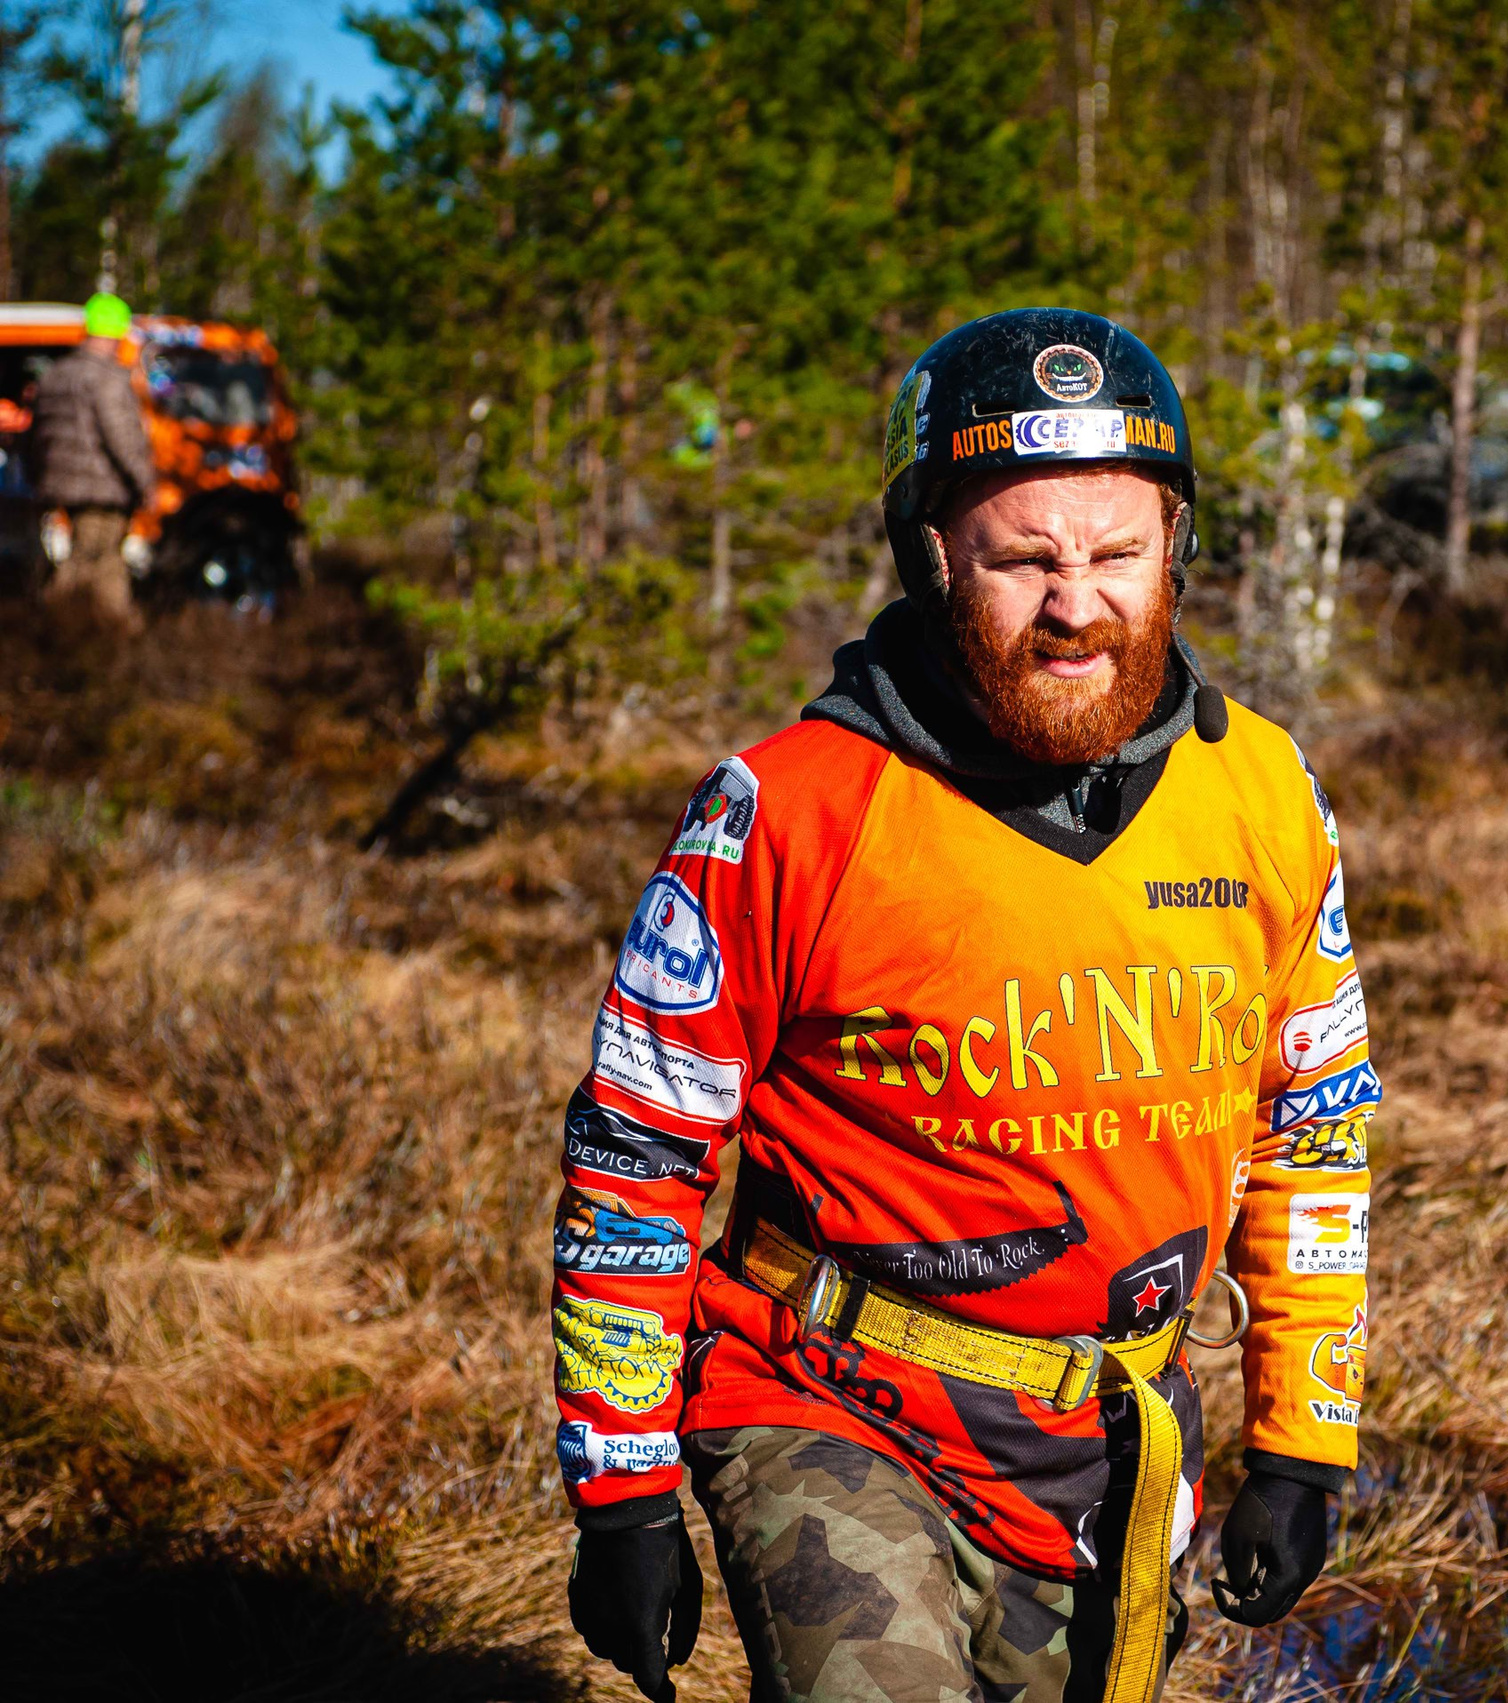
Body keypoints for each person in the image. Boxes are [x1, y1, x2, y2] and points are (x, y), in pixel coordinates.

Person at [553, 307, 1376, 1703]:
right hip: (829, 1406)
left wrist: (1305, 1436)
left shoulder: (1267, 798)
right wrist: (621, 1487)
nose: (1077, 603)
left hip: (1107, 1439)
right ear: (932, 557)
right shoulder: (787, 814)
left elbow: (1314, 1131)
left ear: (1176, 548)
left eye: (1118, 554)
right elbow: (636, 1157)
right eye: (1024, 560)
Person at [32, 292, 156, 633]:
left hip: (63, 489)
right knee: (89, 564)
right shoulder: (107, 380)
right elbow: (123, 439)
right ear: (115, 333)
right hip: (102, 491)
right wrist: (146, 483)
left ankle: (110, 641)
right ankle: (54, 633)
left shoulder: (55, 375)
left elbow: (37, 435)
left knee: (103, 565)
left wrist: (37, 478)